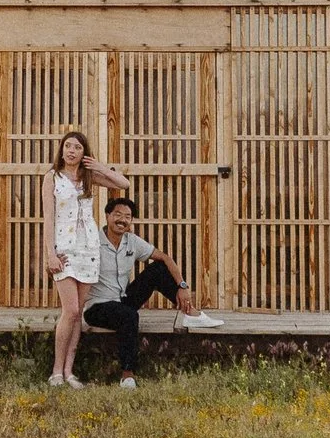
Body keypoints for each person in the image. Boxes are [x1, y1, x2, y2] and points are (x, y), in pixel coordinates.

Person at [80, 194, 222, 387]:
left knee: (158, 268)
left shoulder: (131, 241)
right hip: (97, 306)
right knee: (129, 316)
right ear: (107, 216)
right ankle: (127, 375)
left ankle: (191, 313)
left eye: (127, 217)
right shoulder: (92, 240)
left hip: (121, 299)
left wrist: (182, 286)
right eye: (117, 214)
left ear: (131, 221)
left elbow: (165, 257)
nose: (122, 220)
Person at [44, 126, 126, 387]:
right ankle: (56, 371)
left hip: (89, 249)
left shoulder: (89, 177)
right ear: (62, 149)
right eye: (68, 146)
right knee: (69, 310)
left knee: (78, 312)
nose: (72, 151)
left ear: (84, 153)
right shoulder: (52, 178)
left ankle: (70, 371)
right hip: (64, 251)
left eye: (78, 147)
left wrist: (100, 166)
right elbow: (48, 218)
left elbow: (124, 183)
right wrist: (50, 254)